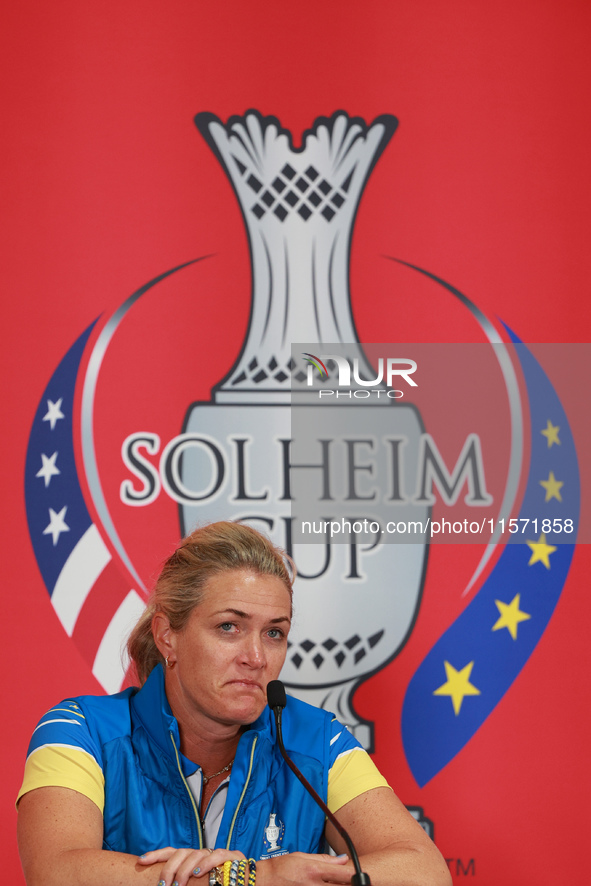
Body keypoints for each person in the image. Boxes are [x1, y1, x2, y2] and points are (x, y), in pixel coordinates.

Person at [17, 521, 451, 886]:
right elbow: (55, 871)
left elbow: (425, 872)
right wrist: (246, 879)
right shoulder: (81, 730)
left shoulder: (316, 740)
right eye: (229, 627)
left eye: (274, 633)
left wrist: (257, 875)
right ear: (168, 634)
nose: (257, 657)